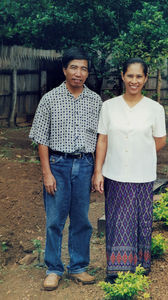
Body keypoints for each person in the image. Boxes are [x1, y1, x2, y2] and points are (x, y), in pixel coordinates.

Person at [29, 47, 102, 290]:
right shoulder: (49, 99)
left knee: (82, 219)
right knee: (55, 219)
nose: (78, 73)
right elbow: (42, 139)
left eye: (83, 68)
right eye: (73, 67)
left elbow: (102, 138)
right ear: (64, 69)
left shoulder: (95, 101)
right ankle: (53, 268)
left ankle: (78, 267)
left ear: (87, 73)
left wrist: (96, 171)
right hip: (57, 165)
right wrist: (47, 173)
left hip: (85, 164)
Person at [93, 57, 166, 283]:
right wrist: (98, 171)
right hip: (114, 173)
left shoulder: (155, 109)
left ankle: (140, 266)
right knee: (116, 221)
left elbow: (160, 140)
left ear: (145, 79)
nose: (134, 80)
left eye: (139, 76)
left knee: (141, 220)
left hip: (142, 175)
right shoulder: (109, 106)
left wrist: (140, 153)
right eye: (130, 76)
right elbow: (102, 140)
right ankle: (115, 270)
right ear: (123, 77)